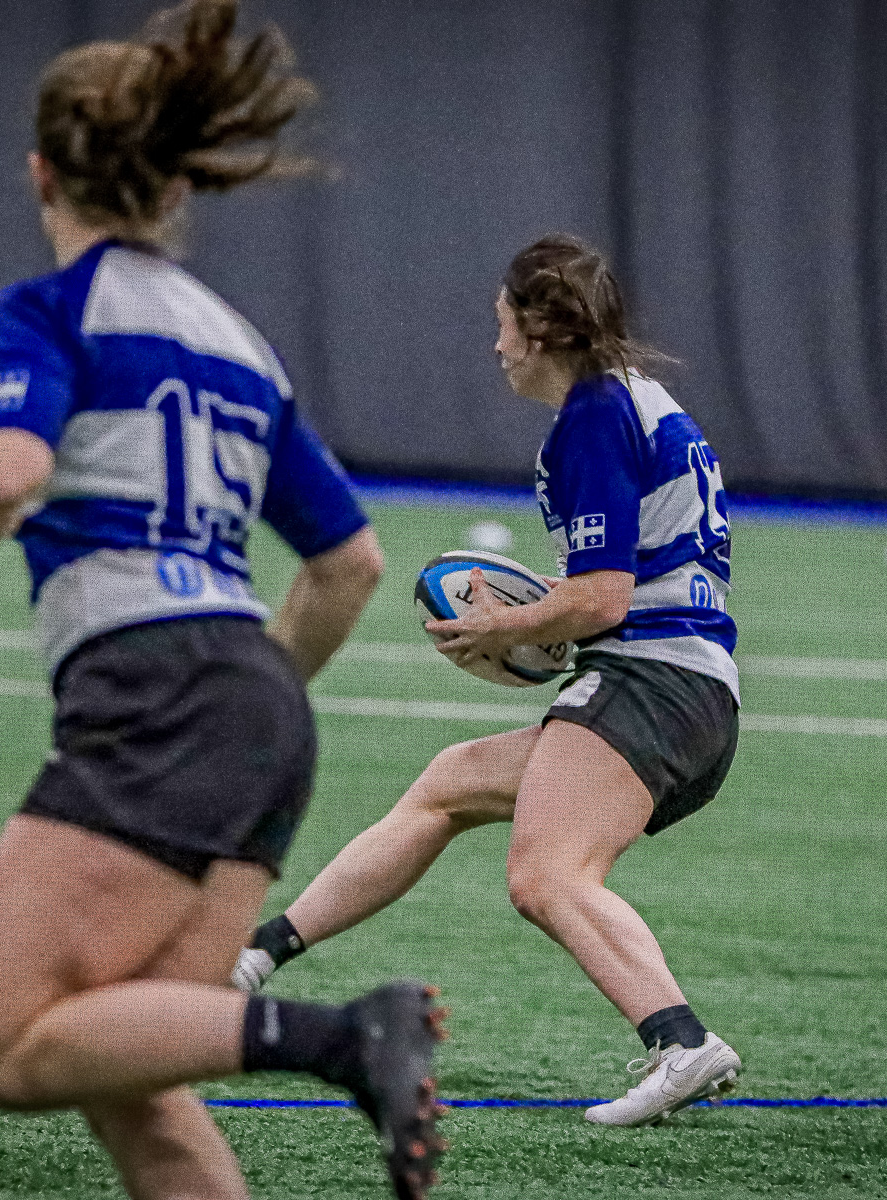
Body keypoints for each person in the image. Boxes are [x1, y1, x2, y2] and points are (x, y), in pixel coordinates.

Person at [0, 5, 444, 1196]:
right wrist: (245, 692)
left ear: (40, 172)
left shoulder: (52, 313)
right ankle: (335, 1041)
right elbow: (348, 562)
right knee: (128, 1065)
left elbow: (4, 474)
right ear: (172, 185)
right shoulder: (240, 342)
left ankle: (341, 1037)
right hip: (259, 706)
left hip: (155, 689)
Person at [235, 233, 744, 1128]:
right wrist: (532, 626)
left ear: (542, 327)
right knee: (447, 786)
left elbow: (602, 597)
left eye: (503, 322)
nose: (495, 343)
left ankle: (681, 1041)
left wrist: (499, 627)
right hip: (682, 688)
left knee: (547, 875)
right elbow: (615, 586)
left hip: (654, 684)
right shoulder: (626, 401)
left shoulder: (592, 418)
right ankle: (255, 957)